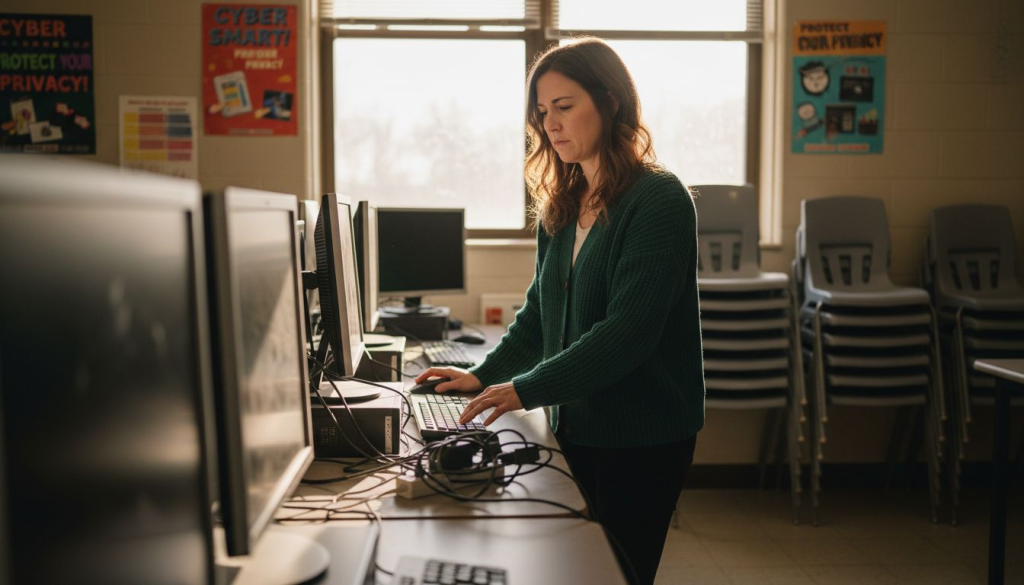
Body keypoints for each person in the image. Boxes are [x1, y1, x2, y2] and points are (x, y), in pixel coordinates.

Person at [414, 37, 704, 585]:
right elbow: (539, 317)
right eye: (542, 112)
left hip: (642, 438)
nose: (551, 124)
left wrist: (523, 390)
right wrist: (481, 376)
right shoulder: (564, 203)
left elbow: (627, 333)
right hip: (576, 425)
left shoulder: (660, 201)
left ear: (611, 101)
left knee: (616, 574)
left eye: (564, 106)